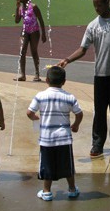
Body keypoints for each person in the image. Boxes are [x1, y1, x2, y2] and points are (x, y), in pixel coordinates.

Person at [57, 0, 110, 157]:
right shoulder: (93, 25)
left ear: (108, 2)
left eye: (99, 5)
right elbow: (83, 49)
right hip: (100, 76)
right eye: (94, 5)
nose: (96, 8)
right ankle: (97, 144)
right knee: (99, 112)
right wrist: (67, 60)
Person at [27, 66, 83, 201]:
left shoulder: (40, 96)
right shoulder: (69, 97)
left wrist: (35, 118)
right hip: (64, 138)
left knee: (47, 165)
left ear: (46, 80)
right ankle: (72, 189)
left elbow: (29, 112)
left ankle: (46, 192)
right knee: (67, 165)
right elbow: (79, 113)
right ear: (64, 81)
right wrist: (75, 125)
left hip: (47, 139)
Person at [14, 0, 46, 82]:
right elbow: (17, 21)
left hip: (34, 31)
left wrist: (44, 34)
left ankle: (37, 74)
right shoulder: (20, 8)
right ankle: (22, 75)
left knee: (34, 51)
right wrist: (17, 8)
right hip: (25, 31)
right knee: (22, 51)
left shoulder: (34, 6)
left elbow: (41, 20)